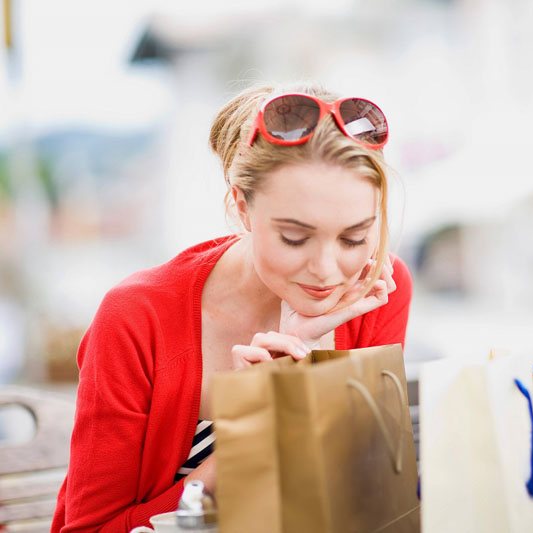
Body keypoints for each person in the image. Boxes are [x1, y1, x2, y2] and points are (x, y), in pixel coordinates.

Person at [51, 83, 412, 532]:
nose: (326, 270)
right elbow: (91, 528)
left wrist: (318, 366)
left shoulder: (375, 286)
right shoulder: (137, 319)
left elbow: (372, 503)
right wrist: (253, 433)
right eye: (295, 238)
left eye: (354, 237)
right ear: (241, 207)